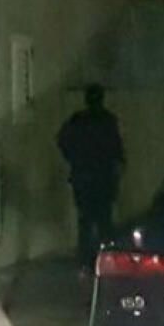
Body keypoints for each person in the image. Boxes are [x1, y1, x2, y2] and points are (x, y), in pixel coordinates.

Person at [57, 84, 124, 275]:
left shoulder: (79, 121)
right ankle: (105, 260)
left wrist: (74, 159)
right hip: (102, 177)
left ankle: (86, 261)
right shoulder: (107, 120)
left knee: (86, 221)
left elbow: (62, 141)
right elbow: (117, 149)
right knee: (103, 221)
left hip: (85, 177)